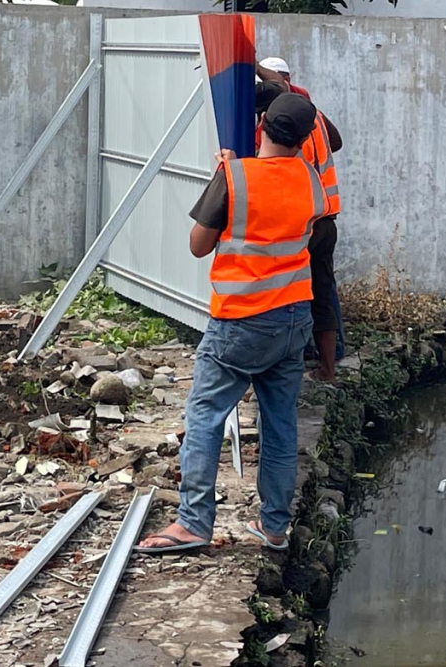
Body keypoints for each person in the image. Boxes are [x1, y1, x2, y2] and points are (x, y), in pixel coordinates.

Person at [136, 94, 327, 553]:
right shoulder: (311, 179)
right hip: (293, 319)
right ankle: (274, 527)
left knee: (205, 417)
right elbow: (302, 224)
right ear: (304, 140)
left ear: (260, 123)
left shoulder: (235, 176)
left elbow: (199, 245)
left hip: (240, 323)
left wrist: (222, 176)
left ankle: (193, 524)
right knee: (280, 425)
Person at [254, 82, 344, 381]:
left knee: (284, 295)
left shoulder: (278, 128)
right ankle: (328, 369)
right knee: (321, 293)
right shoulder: (313, 116)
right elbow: (337, 142)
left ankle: (276, 367)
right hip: (326, 216)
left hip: (299, 220)